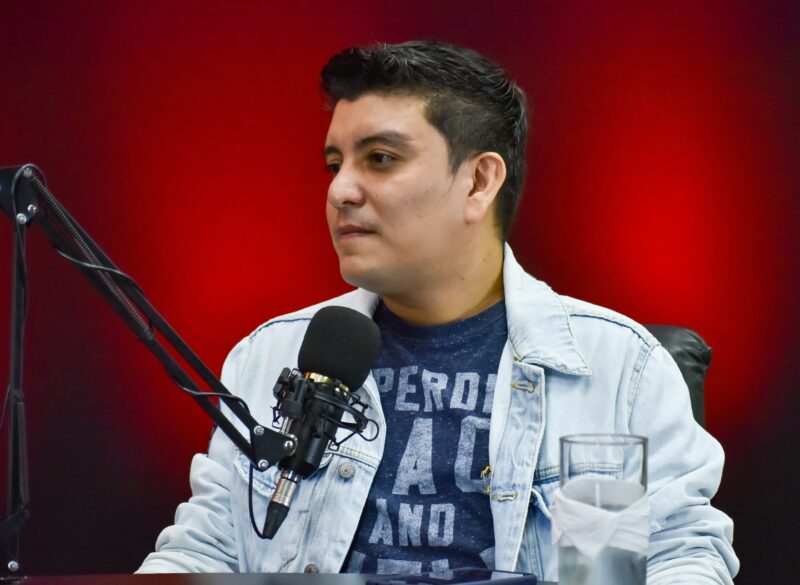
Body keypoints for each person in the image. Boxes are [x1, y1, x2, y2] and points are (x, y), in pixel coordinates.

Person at [138, 40, 738, 583]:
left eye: (379, 158)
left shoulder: (612, 369)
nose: (339, 190)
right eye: (335, 164)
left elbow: (676, 556)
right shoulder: (272, 356)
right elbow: (208, 550)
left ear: (479, 182)